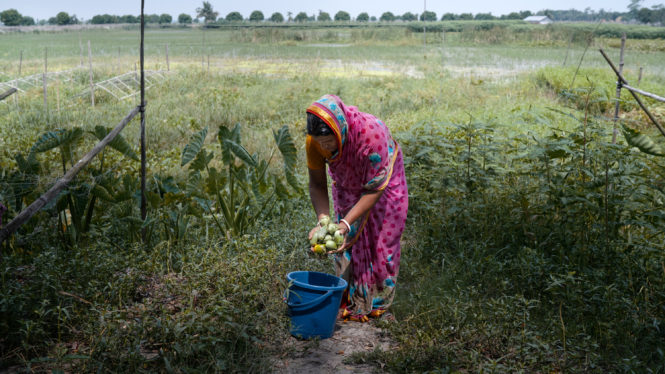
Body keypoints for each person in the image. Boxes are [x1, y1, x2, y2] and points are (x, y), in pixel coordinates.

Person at [306, 94, 408, 322]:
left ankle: (378, 304)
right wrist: (323, 221)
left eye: (329, 141)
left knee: (382, 242)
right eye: (320, 142)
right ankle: (353, 301)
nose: (325, 147)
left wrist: (344, 223)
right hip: (348, 186)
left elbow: (374, 189)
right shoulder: (314, 142)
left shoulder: (371, 136)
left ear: (341, 128)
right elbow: (317, 183)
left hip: (383, 183)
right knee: (347, 244)